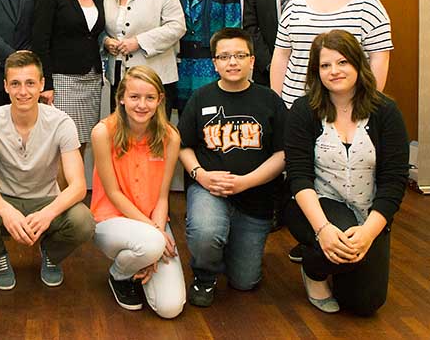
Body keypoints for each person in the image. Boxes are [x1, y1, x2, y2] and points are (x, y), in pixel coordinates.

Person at [284, 30, 408, 315]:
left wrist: (368, 232)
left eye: (342, 62)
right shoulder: (304, 110)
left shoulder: (386, 111)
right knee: (339, 242)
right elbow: (299, 176)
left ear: (357, 64)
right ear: (316, 72)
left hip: (369, 210)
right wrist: (324, 230)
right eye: (325, 65)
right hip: (317, 205)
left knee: (366, 305)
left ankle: (339, 262)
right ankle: (314, 269)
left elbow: (394, 182)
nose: (334, 71)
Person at [0, 51, 95, 290]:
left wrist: (48, 213)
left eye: (30, 83)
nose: (23, 91)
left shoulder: (62, 122)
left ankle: (52, 255)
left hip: (46, 201)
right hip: (4, 198)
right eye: (15, 84)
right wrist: (6, 211)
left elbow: (77, 186)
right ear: (5, 86)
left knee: (83, 221)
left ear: (42, 84)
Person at [177, 29, 287, 307]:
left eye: (240, 55)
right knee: (206, 232)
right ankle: (204, 274)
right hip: (208, 190)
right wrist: (200, 175)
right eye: (224, 56)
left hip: (255, 195)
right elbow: (183, 146)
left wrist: (245, 182)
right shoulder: (200, 97)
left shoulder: (270, 100)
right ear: (214, 63)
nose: (233, 62)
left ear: (252, 60)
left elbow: (283, 153)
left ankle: (226, 249)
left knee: (244, 282)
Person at [91, 66, 185, 319]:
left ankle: (142, 260)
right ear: (121, 97)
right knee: (152, 243)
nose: (142, 105)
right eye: (134, 97)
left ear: (159, 100)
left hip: (152, 223)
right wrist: (155, 238)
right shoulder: (103, 132)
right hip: (111, 221)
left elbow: (163, 196)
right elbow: (113, 193)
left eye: (149, 97)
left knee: (170, 308)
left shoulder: (170, 137)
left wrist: (154, 236)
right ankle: (119, 274)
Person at [271, 0, 393, 108]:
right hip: (296, 105)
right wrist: (277, 103)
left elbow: (380, 58)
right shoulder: (295, 4)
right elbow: (281, 56)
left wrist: (369, 101)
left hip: (349, 107)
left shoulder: (367, 4)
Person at [32, 0, 104, 179]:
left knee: (82, 142)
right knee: (63, 144)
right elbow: (40, 39)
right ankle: (58, 207)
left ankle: (73, 199)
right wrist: (46, 84)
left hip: (91, 79)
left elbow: (96, 33)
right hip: (62, 80)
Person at [103, 0, 186, 115]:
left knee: (155, 138)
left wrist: (139, 42)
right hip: (120, 79)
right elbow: (101, 29)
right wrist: (106, 42)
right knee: (122, 137)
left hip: (156, 78)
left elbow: (177, 26)